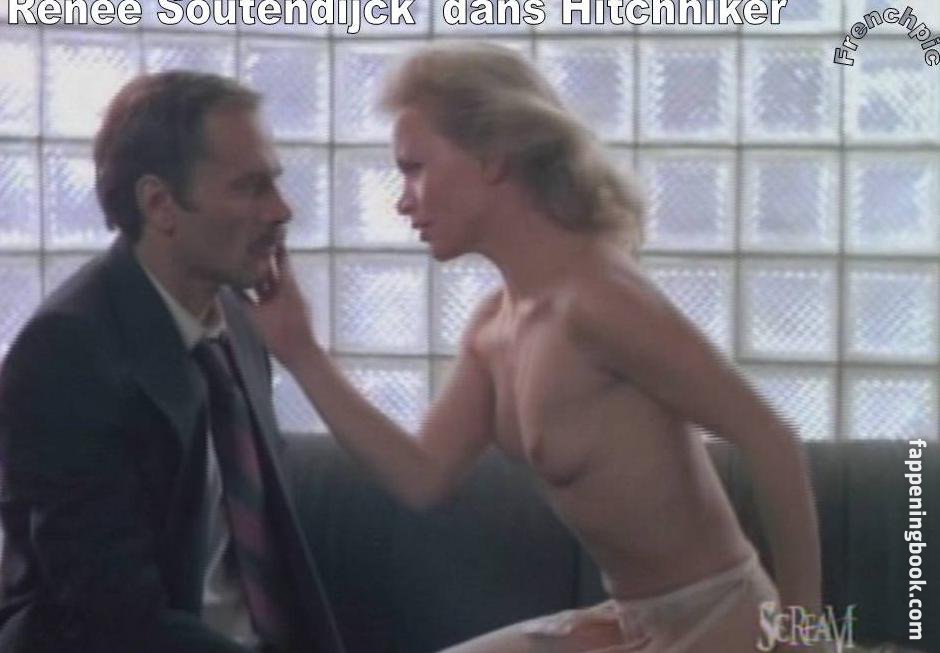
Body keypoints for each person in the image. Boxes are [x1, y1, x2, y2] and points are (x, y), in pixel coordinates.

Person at [248, 43, 824, 652]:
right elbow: (421, 477)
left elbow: (772, 439)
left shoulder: (598, 298)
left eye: (415, 167)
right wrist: (300, 351)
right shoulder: (492, 327)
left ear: (493, 156)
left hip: (722, 620)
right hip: (630, 622)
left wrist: (801, 637)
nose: (403, 199)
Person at [0, 72, 345, 653]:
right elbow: (113, 617)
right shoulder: (66, 353)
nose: (281, 210)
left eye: (275, 183)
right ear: (159, 204)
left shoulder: (237, 317)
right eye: (250, 188)